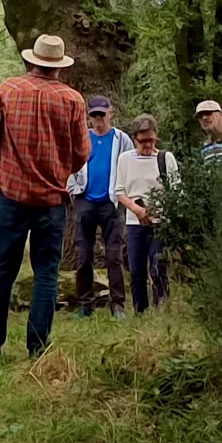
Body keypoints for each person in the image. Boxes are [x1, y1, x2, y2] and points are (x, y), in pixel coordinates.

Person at [0, 34, 90, 362]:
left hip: (13, 197)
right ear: (59, 66)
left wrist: (13, 162)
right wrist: (59, 169)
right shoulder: (73, 100)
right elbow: (82, 152)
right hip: (52, 200)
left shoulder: (9, 89)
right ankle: (37, 349)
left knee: (1, 274)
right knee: (45, 275)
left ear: (32, 61)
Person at [68, 95, 134, 318]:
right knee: (83, 254)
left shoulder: (122, 139)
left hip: (112, 202)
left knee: (113, 255)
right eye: (94, 115)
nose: (98, 119)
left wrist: (124, 194)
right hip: (85, 200)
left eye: (102, 115)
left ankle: (118, 304)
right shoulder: (83, 139)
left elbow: (129, 166)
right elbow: (70, 165)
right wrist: (73, 189)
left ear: (110, 113)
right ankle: (86, 304)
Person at [115, 114, 180, 314]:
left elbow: (176, 191)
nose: (148, 145)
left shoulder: (165, 158)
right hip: (135, 222)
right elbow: (119, 192)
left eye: (151, 140)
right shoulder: (125, 159)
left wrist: (159, 209)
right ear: (135, 139)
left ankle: (162, 307)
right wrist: (136, 209)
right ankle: (140, 310)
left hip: (160, 221)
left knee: (158, 266)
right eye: (143, 141)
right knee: (137, 270)